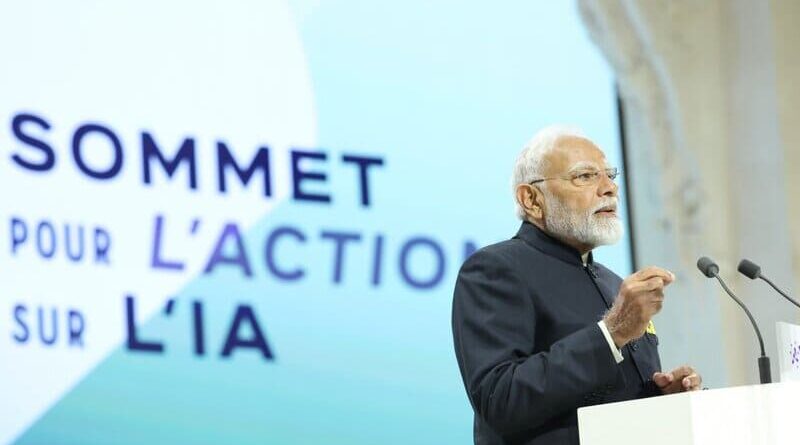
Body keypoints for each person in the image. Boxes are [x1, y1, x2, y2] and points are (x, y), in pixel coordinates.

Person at [451, 126, 702, 445]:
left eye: (609, 175)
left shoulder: (611, 283)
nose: (610, 188)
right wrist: (611, 333)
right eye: (585, 176)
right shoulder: (495, 269)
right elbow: (500, 399)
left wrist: (661, 397)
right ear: (531, 199)